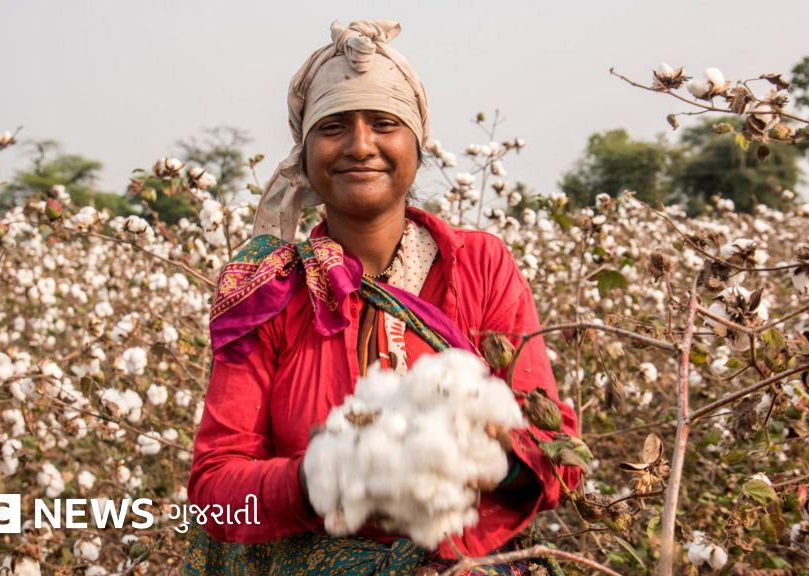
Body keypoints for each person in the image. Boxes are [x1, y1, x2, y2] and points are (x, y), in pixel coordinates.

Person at [185, 19, 580, 576]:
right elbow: (215, 491)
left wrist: (493, 453)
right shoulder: (268, 291)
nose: (360, 145)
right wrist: (324, 476)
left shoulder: (479, 267)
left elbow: (559, 460)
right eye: (333, 127)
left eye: (384, 124)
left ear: (417, 144)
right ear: (305, 154)